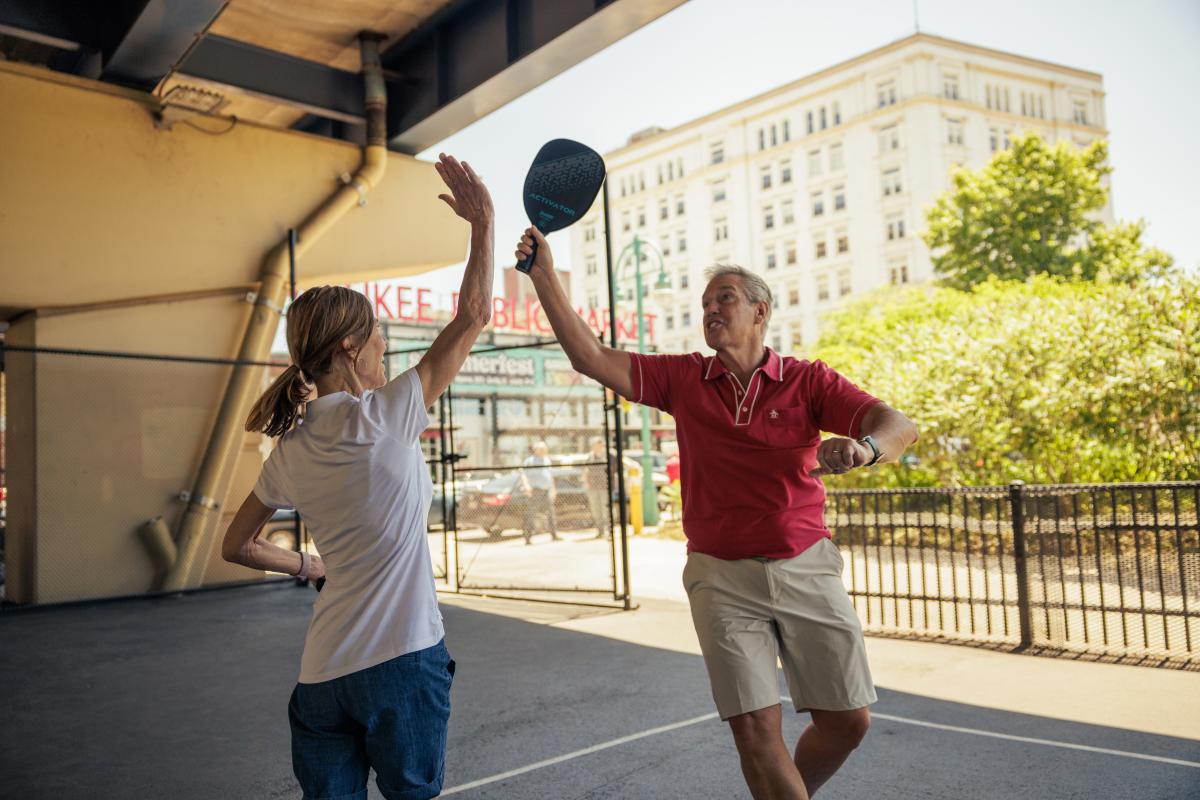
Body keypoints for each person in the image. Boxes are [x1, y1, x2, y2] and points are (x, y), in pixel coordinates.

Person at [514, 226, 918, 800]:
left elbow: (899, 426)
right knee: (755, 729)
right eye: (705, 304)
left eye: (723, 298)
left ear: (760, 310)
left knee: (848, 722)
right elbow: (590, 355)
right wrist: (544, 275)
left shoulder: (808, 380)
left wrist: (863, 448)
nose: (710, 310)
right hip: (720, 577)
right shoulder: (682, 378)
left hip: (805, 565)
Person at [221, 153, 493, 800]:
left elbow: (235, 546)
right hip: (401, 664)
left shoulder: (288, 449)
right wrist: (483, 224)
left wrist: (308, 568)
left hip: (321, 680)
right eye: (376, 338)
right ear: (348, 349)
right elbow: (474, 314)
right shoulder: (386, 416)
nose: (383, 349)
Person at [519, 441, 559, 544]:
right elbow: (523, 475)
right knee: (531, 514)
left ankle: (554, 534)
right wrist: (527, 486)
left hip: (546, 491)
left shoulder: (546, 460)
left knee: (551, 513)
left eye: (545, 449)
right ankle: (527, 537)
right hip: (535, 491)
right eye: (541, 449)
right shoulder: (530, 461)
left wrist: (553, 489)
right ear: (536, 450)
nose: (544, 451)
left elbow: (550, 475)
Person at [584, 435, 617, 539]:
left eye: (596, 445)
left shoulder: (610, 455)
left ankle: (610, 530)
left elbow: (615, 469)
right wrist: (587, 483)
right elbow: (586, 471)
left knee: (606, 509)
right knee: (596, 509)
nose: (594, 447)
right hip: (593, 488)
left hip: (606, 487)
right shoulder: (590, 457)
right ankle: (600, 531)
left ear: (601, 444)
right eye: (593, 445)